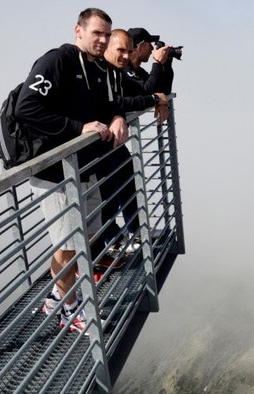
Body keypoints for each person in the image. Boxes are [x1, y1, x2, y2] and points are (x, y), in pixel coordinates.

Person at [14, 8, 127, 333]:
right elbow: (27, 107)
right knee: (66, 246)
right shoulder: (58, 61)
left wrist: (117, 116)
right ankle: (71, 310)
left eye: (107, 34)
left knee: (84, 240)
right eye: (97, 33)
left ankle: (55, 298)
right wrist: (77, 128)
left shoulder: (97, 69)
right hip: (56, 173)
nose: (103, 39)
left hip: (86, 168)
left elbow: (110, 104)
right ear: (78, 31)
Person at [98, 29, 168, 253]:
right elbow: (130, 98)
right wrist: (153, 97)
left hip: (109, 140)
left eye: (127, 52)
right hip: (95, 143)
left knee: (127, 178)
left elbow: (157, 90)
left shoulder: (118, 71)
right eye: (121, 51)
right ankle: (111, 239)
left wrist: (164, 66)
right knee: (106, 190)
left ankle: (134, 230)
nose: (125, 57)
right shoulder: (105, 71)